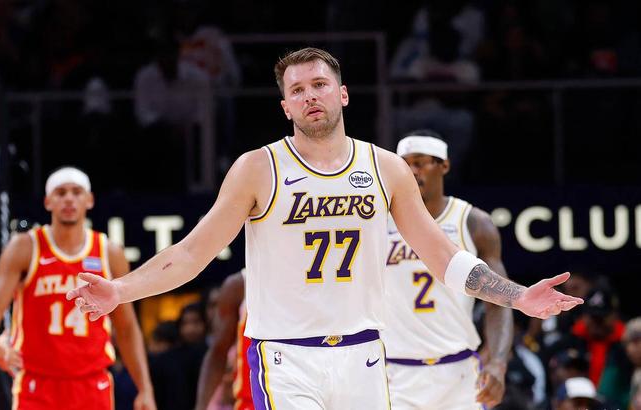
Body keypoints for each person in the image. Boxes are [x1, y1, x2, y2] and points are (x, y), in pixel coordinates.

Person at [67, 47, 582, 409]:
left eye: (319, 85)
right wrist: (121, 289)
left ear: (343, 94)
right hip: (286, 355)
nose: (310, 96)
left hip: (365, 353)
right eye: (297, 90)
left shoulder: (386, 168)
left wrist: (518, 296)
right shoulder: (258, 168)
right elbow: (191, 253)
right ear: (285, 106)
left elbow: (444, 257)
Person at [0, 167, 156, 410]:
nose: (69, 199)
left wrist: (145, 388)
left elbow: (126, 328)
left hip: (92, 384)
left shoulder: (109, 253)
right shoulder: (24, 248)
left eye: (76, 192)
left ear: (89, 200)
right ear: (48, 201)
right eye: (61, 192)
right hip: (37, 385)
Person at [381, 130, 513, 409]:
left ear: (444, 165)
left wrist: (498, 362)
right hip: (394, 372)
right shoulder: (379, 221)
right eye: (406, 164)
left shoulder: (473, 223)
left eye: (420, 162)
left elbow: (498, 301)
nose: (412, 171)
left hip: (459, 371)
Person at [196, 269, 253, 410]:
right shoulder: (239, 285)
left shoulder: (303, 281)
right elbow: (217, 353)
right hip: (250, 403)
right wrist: (201, 406)